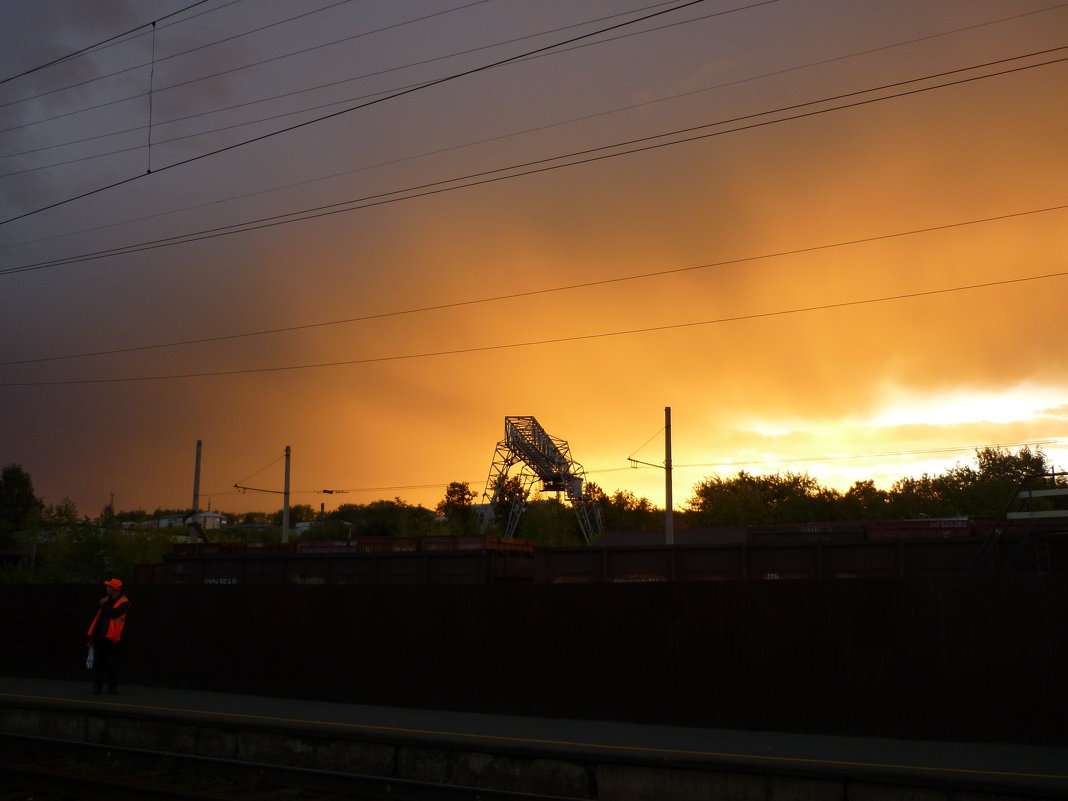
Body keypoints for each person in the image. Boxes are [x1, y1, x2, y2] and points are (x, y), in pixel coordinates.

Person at [87, 577, 130, 695]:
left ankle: (112, 688)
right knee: (98, 663)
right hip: (100, 636)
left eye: (109, 587)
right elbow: (100, 619)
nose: (106, 589)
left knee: (112, 664)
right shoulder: (106, 599)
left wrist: (103, 605)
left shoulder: (124, 602)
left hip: (112, 638)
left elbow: (114, 613)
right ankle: (97, 687)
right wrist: (94, 635)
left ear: (115, 589)